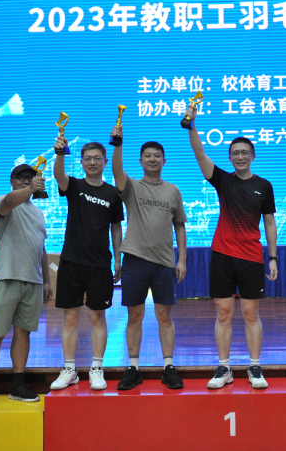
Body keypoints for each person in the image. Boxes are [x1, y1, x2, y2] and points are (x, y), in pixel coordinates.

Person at [184, 106, 278, 389]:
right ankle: (224, 368)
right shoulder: (223, 180)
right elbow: (200, 154)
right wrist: (191, 125)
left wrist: (273, 257)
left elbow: (270, 223)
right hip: (222, 256)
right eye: (235, 153)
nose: (240, 157)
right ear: (230, 157)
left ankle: (254, 367)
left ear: (253, 156)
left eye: (244, 152)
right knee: (223, 313)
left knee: (251, 314)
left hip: (251, 257)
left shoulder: (265, 186)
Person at [110, 124, 187, 391]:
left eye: (157, 156)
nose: (152, 159)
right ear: (141, 161)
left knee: (164, 315)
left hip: (164, 262)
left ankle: (168, 367)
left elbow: (180, 226)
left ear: (164, 161)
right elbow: (117, 171)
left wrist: (182, 259)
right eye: (148, 156)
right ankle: (133, 368)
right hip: (135, 259)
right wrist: (118, 143)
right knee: (135, 315)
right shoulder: (132, 186)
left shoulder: (173, 190)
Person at [0, 164, 53, 412]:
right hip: (6, 277)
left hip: (33, 281)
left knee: (23, 334)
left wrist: (47, 280)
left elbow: (41, 247)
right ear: (12, 180)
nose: (27, 181)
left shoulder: (38, 212)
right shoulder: (2, 201)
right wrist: (31, 189)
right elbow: (10, 201)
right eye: (22, 178)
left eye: (31, 178)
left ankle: (17, 386)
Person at [49, 140, 124, 391]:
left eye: (97, 158)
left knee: (97, 316)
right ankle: (69, 369)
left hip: (100, 264)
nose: (92, 162)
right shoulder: (74, 185)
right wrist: (60, 153)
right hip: (71, 262)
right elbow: (58, 175)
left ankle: (96, 368)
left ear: (105, 161)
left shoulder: (113, 193)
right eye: (88, 159)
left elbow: (116, 228)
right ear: (81, 163)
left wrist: (118, 258)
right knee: (70, 317)